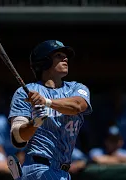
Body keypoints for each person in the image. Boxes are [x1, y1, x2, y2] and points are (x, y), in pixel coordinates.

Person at [7, 40, 92, 180]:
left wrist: (46, 102)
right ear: (44, 62)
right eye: (58, 55)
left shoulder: (76, 88)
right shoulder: (25, 93)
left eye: (65, 56)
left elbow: (78, 106)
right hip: (39, 168)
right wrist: (35, 122)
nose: (65, 58)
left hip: (63, 171)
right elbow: (18, 138)